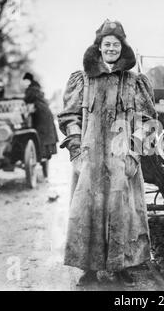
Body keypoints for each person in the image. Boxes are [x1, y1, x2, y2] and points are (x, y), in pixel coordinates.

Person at [58, 19, 157, 287]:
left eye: (116, 44)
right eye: (106, 44)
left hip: (121, 160)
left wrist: (133, 153)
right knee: (87, 211)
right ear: (99, 48)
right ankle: (88, 269)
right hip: (90, 160)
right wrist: (77, 149)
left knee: (124, 211)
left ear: (122, 48)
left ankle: (122, 266)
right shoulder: (83, 80)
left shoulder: (134, 82)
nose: (111, 48)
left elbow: (148, 121)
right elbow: (69, 117)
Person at [23, 72, 58, 159]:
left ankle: (41, 154)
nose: (24, 83)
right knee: (44, 133)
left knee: (41, 132)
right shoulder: (36, 88)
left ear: (28, 80)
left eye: (25, 80)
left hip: (40, 113)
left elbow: (27, 99)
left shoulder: (31, 89)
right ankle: (45, 154)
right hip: (44, 112)